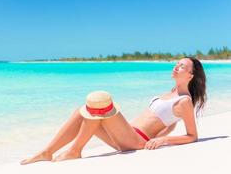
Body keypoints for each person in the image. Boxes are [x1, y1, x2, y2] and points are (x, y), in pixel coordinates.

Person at [20, 57, 206, 165]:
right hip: (126, 134)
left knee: (100, 105)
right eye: (177, 63)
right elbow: (168, 122)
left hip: (136, 140)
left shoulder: (184, 101)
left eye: (182, 66)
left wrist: (162, 140)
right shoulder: (169, 93)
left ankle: (75, 150)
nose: (176, 66)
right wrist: (164, 131)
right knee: (82, 110)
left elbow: (192, 136)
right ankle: (47, 151)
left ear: (191, 75)